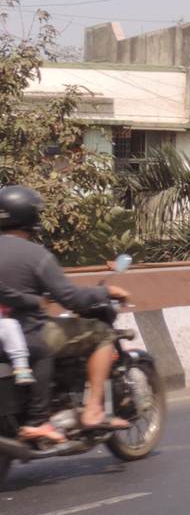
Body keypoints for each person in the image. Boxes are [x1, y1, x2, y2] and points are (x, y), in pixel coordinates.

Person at [0, 185, 130, 443]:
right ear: (31, 217)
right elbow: (71, 298)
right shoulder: (37, 255)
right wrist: (106, 293)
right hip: (31, 332)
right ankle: (93, 410)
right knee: (102, 333)